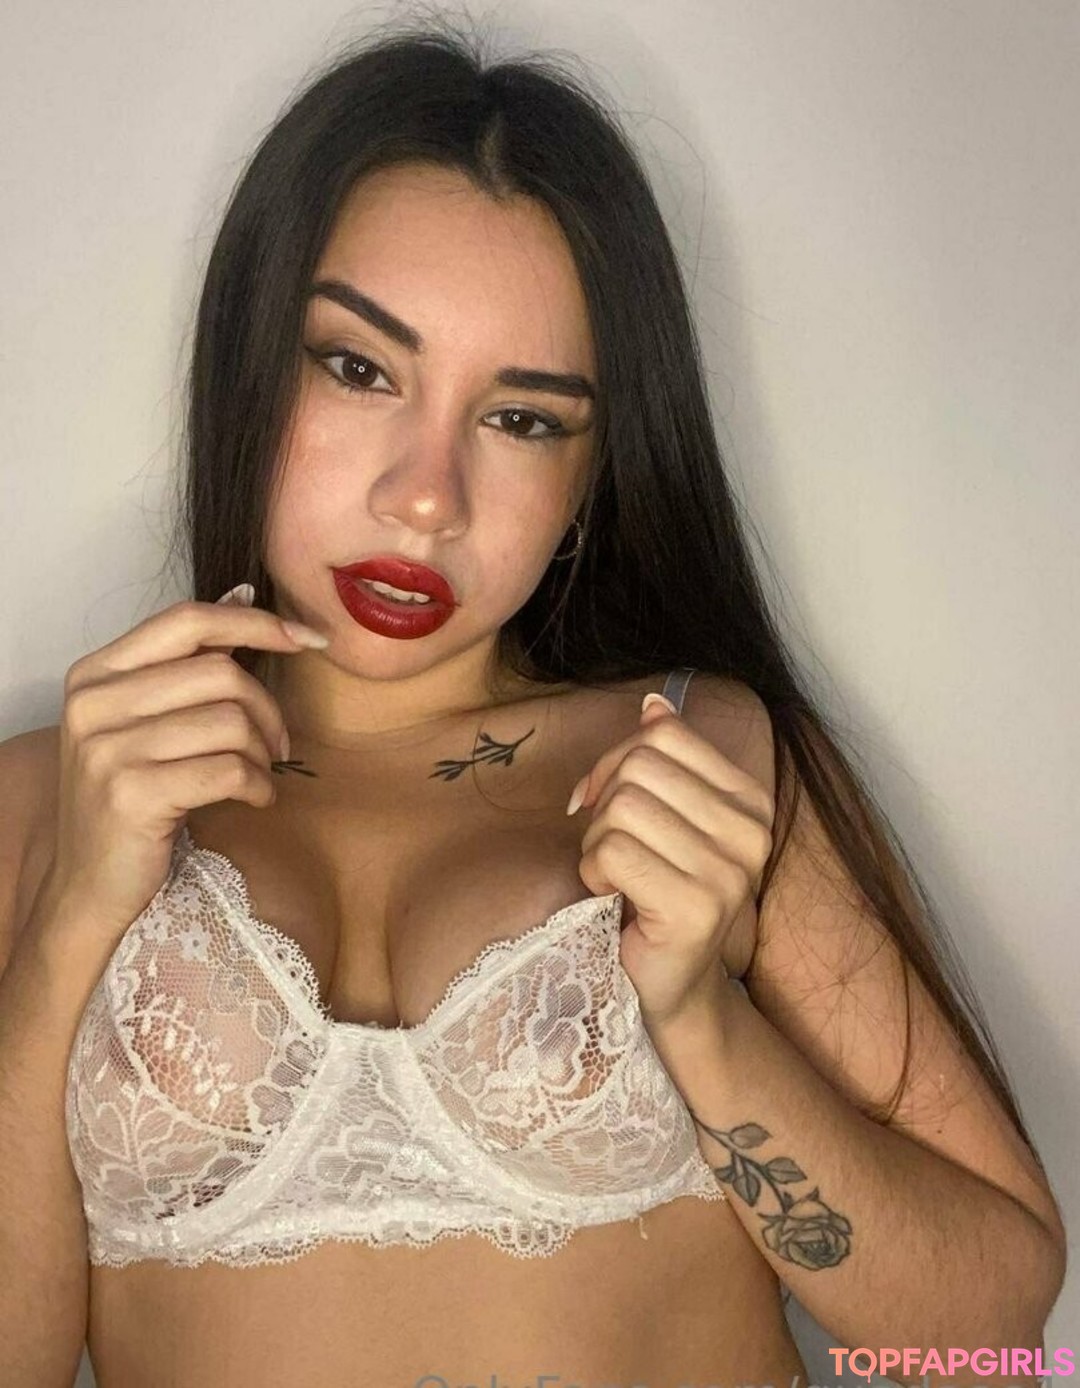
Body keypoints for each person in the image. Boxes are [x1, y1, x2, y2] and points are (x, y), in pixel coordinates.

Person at [0, 16, 1066, 1388]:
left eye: (522, 419)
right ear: (248, 364)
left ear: (591, 480)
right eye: (359, 368)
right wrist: (66, 929)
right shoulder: (49, 799)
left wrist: (702, 1017)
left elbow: (986, 1335)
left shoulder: (703, 755)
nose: (426, 497)